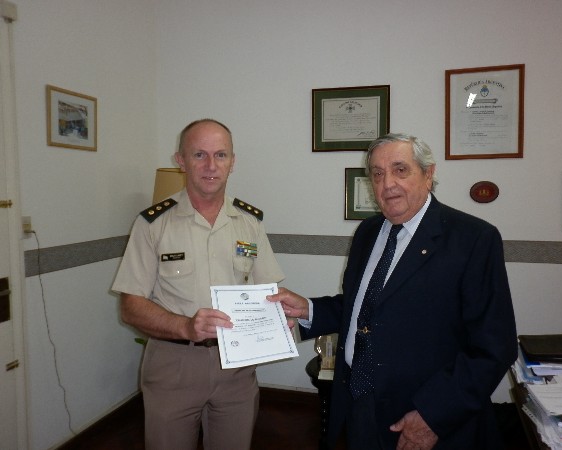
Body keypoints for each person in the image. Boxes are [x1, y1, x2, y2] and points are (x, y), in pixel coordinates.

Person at [268, 133, 517, 450]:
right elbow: (366, 307)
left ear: (428, 174)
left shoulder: (472, 239)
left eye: (401, 170)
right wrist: (308, 309)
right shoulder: (368, 232)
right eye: (377, 173)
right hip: (360, 400)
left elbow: (494, 347)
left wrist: (432, 416)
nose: (387, 184)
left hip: (425, 416)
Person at [112, 119, 284, 450]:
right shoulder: (153, 224)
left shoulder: (249, 223)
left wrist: (283, 314)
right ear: (181, 160)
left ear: (233, 162)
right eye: (199, 155)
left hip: (237, 367)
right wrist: (186, 327)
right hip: (174, 365)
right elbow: (130, 306)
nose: (210, 166)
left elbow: (270, 292)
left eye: (220, 155)